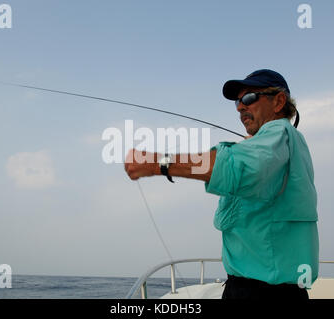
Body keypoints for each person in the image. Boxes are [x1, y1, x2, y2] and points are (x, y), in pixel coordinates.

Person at [124, 69, 319, 300]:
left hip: (261, 293)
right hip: (266, 289)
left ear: (278, 102)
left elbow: (234, 167)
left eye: (249, 98)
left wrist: (158, 163)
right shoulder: (286, 143)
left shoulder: (278, 133)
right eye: (238, 101)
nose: (239, 107)